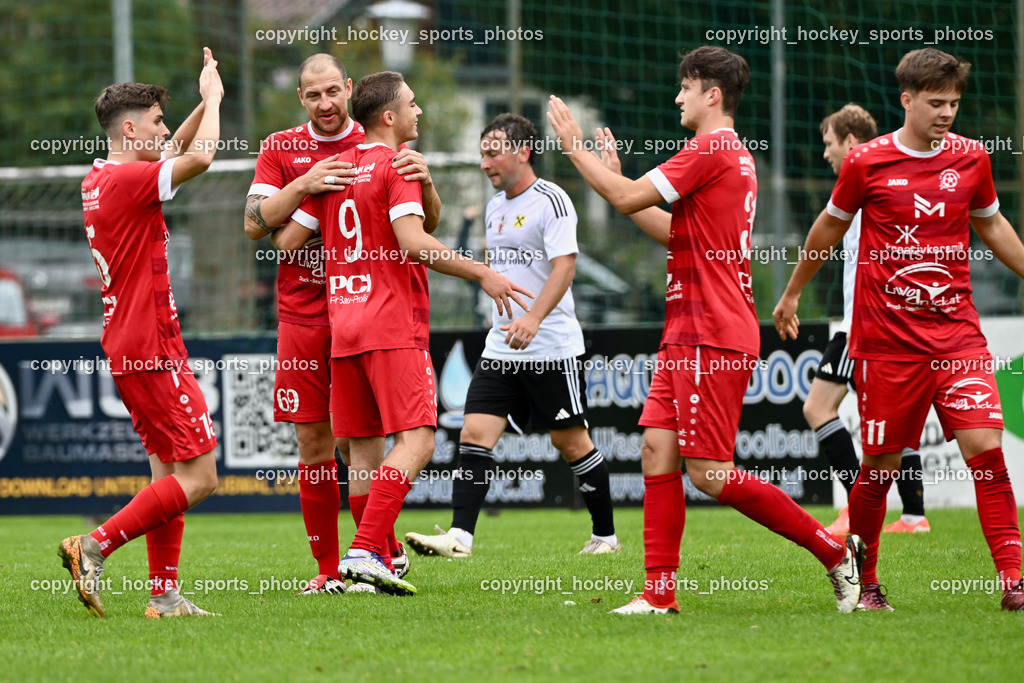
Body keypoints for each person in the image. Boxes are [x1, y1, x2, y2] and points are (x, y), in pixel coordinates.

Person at [547, 45, 863, 615]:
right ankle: (658, 594)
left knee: (712, 473)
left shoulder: (711, 148)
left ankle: (833, 550)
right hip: (692, 329)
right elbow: (672, 232)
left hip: (709, 331)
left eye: (685, 88)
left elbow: (623, 197)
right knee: (655, 450)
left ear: (711, 94)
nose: (677, 98)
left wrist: (574, 150)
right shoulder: (731, 155)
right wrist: (618, 185)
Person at [773, 48, 1024, 611]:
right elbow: (825, 231)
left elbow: (994, 226)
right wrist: (790, 293)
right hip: (888, 347)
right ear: (906, 100)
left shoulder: (973, 159)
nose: (947, 113)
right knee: (879, 468)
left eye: (954, 103)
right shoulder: (868, 163)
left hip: (958, 336)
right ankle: (868, 585)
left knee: (986, 449)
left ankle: (1013, 581)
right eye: (936, 103)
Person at [275, 71, 533, 595]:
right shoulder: (396, 166)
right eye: (413, 105)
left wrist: (302, 189)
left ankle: (375, 566)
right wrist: (481, 272)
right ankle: (368, 551)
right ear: (389, 117)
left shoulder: (338, 170)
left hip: (342, 325)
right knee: (418, 439)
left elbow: (283, 240)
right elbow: (415, 241)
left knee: (365, 452)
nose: (420, 112)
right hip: (391, 323)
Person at [243, 54, 439, 593]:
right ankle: (331, 569)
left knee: (363, 444)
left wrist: (429, 183)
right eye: (313, 96)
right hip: (305, 314)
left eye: (334, 92)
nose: (326, 104)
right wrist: (306, 182)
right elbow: (256, 225)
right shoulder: (281, 148)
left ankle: (375, 551)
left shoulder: (379, 146)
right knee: (314, 442)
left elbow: (420, 225)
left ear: (350, 89)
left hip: (366, 312)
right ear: (300, 100)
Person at [404, 114, 620, 559]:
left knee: (570, 442)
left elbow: (565, 268)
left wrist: (534, 319)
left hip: (550, 346)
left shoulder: (552, 200)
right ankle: (460, 539)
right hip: (501, 345)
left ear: (523, 151)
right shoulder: (494, 206)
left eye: (493, 152)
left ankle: (606, 537)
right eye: (482, 153)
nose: (485, 163)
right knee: (474, 433)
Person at [59, 48, 224, 618]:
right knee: (201, 475)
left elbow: (175, 150)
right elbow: (199, 159)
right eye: (155, 120)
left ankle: (164, 595)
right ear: (130, 129)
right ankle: (93, 544)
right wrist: (216, 101)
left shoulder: (105, 176)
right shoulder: (130, 180)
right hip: (150, 343)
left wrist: (200, 102)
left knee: (168, 473)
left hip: (129, 342)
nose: (162, 129)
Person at [807, 104, 930, 536]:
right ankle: (914, 516)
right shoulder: (894, 177)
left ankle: (855, 508)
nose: (826, 155)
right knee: (894, 423)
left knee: (817, 407)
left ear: (851, 143)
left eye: (829, 144)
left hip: (862, 324)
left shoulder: (861, 181)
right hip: (888, 323)